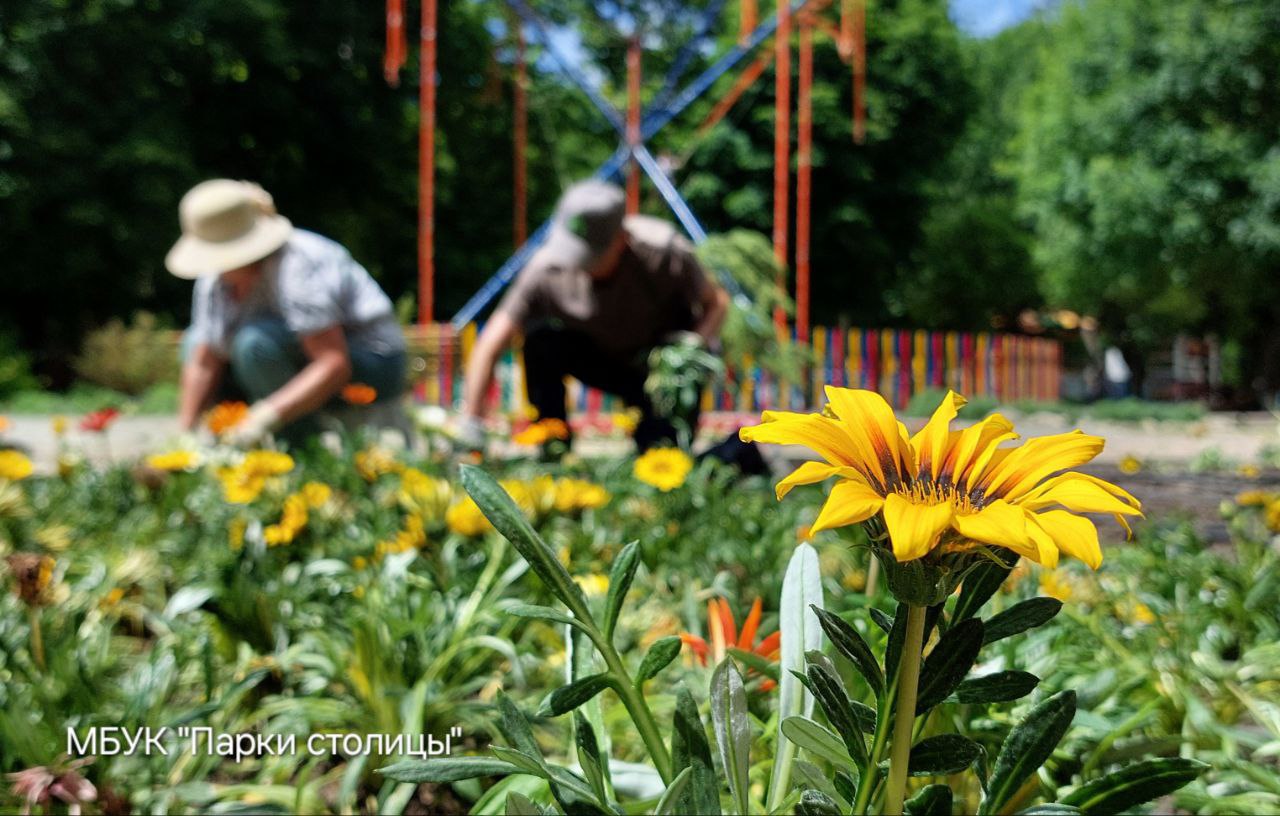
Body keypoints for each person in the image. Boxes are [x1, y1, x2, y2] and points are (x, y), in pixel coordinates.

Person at [459, 180, 730, 452]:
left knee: (660, 454)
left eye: (590, 255)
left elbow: (717, 302)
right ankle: (552, 439)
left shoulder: (665, 252)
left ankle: (660, 438)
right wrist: (471, 422)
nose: (576, 263)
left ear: (621, 240)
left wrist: (693, 345)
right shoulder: (546, 268)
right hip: (603, 360)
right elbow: (490, 342)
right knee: (541, 341)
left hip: (660, 368)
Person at [166, 179, 406, 446]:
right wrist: (184, 434)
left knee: (253, 343)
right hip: (293, 359)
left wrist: (264, 417)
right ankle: (228, 448)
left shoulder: (297, 263)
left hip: (373, 362)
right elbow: (203, 360)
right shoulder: (214, 278)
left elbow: (333, 362)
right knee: (194, 340)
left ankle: (304, 448)